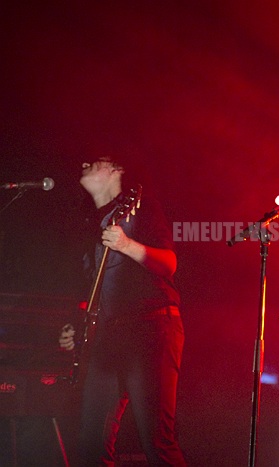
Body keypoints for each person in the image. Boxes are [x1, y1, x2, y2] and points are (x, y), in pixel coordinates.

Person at [59, 155, 186, 466]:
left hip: (150, 329)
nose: (84, 163)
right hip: (109, 336)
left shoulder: (141, 207)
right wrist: (77, 325)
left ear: (117, 170)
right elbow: (94, 291)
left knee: (157, 441)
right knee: (91, 443)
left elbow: (169, 264)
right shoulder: (89, 224)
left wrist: (127, 245)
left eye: (95, 160)